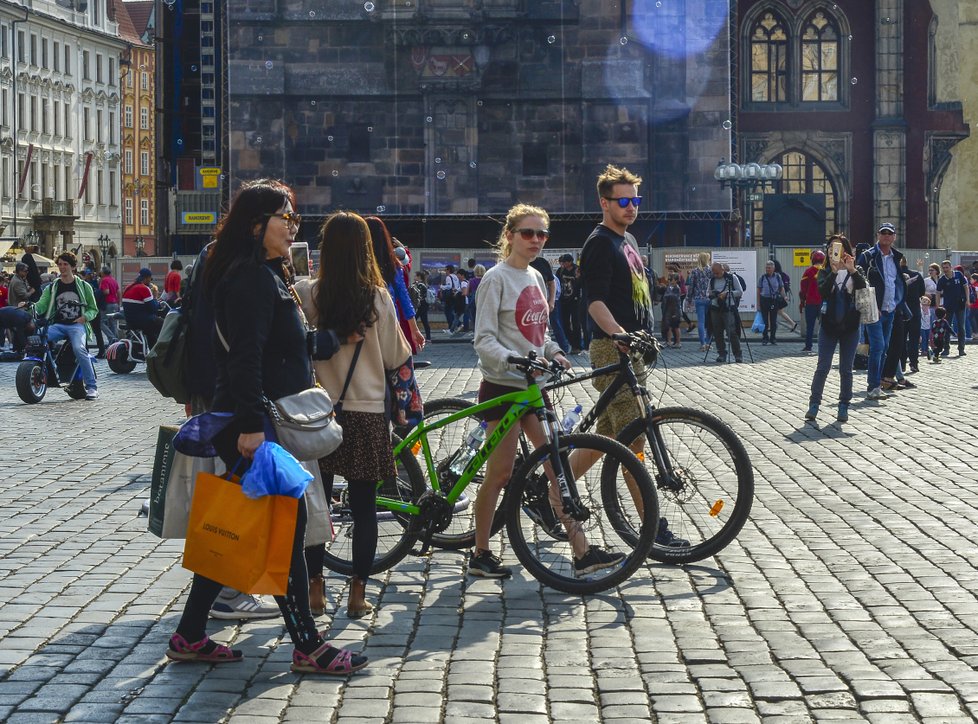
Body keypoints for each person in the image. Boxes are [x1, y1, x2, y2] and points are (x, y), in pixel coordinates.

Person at [166, 179, 366, 675]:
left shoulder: (263, 274)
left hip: (254, 421)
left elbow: (280, 348)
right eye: (286, 218)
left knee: (240, 527)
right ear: (257, 225)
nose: (293, 227)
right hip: (253, 426)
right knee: (285, 528)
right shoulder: (251, 278)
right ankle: (308, 645)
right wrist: (253, 429)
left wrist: (322, 341)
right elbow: (245, 360)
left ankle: (190, 634)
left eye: (294, 218)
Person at [473, 202, 624, 578]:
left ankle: (582, 553)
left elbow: (540, 333)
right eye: (528, 233)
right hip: (504, 389)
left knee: (558, 468)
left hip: (534, 389)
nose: (536, 240)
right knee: (501, 475)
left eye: (542, 234)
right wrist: (515, 360)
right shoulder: (496, 278)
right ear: (509, 236)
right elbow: (483, 340)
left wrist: (554, 351)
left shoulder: (537, 277)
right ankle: (480, 551)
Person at [295, 211, 410, 618]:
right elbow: (398, 355)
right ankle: (358, 593)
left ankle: (314, 588)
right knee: (363, 507)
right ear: (366, 251)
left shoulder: (306, 293)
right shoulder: (378, 298)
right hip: (364, 413)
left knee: (316, 504)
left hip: (315, 414)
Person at [580, 164, 687, 548]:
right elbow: (594, 302)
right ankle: (652, 527)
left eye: (635, 200)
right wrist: (619, 335)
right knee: (634, 439)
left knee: (607, 436)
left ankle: (547, 489)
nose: (631, 207)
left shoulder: (628, 241)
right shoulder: (599, 242)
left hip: (633, 348)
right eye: (623, 201)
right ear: (604, 203)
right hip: (613, 348)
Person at [805, 235, 865, 423]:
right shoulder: (824, 271)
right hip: (829, 324)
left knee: (846, 369)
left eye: (837, 248)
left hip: (850, 325)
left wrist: (852, 270)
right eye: (830, 248)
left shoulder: (856, 268)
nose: (834, 251)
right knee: (823, 367)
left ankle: (843, 406)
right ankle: (814, 404)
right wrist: (832, 271)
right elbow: (822, 291)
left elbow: (864, 288)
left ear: (846, 249)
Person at [34, 252, 99, 399]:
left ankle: (92, 387)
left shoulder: (84, 286)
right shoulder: (51, 287)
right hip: (57, 325)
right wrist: (29, 307)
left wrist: (84, 317)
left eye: (66, 264)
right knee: (38, 338)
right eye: (60, 264)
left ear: (73, 267)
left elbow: (93, 309)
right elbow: (41, 306)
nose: (62, 267)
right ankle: (44, 370)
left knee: (79, 349)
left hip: (77, 325)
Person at [856, 222, 907, 400]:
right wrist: (870, 305)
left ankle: (878, 384)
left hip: (890, 310)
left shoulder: (896, 257)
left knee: (884, 347)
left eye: (889, 233)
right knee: (877, 347)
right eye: (883, 233)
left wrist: (897, 302)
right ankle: (873, 386)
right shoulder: (868, 256)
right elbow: (858, 281)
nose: (886, 236)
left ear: (893, 237)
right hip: (873, 309)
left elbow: (896, 283)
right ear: (878, 235)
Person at [365, 217, 425, 354]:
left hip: (364, 327)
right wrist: (414, 330)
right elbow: (404, 299)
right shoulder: (393, 266)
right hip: (390, 324)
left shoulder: (358, 265)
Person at [529, 253, 570, 353]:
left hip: (545, 303)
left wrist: (551, 301)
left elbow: (552, 283)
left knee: (552, 326)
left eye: (541, 236)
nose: (535, 240)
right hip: (528, 304)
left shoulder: (542, 263)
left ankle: (563, 348)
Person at [708, 262, 743, 363]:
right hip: (715, 308)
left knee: (731, 332)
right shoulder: (712, 280)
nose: (715, 275)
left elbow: (740, 292)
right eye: (714, 273)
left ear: (722, 270)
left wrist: (727, 293)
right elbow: (708, 292)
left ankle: (738, 354)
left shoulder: (732, 278)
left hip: (728, 308)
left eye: (717, 273)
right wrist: (713, 294)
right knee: (717, 332)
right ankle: (722, 353)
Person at [122, 268, 164, 349]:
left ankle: (152, 350)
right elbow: (153, 308)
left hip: (130, 321)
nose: (150, 281)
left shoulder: (128, 287)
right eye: (150, 279)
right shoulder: (144, 288)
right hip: (142, 321)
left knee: (151, 330)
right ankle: (158, 351)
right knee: (163, 324)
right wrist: (155, 298)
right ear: (146, 278)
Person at [936, 260, 969, 357]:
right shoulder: (942, 279)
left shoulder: (958, 275)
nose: (945, 269)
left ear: (951, 267)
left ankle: (961, 349)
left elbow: (966, 287)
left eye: (947, 267)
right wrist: (938, 306)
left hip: (960, 305)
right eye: (944, 268)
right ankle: (946, 349)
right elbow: (938, 293)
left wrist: (967, 300)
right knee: (947, 327)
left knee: (961, 327)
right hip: (948, 307)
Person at [900, 258, 925, 375]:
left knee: (901, 338)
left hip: (901, 311)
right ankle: (914, 363)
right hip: (914, 310)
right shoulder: (916, 275)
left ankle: (902, 363)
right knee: (914, 338)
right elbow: (922, 292)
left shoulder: (896, 275)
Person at [799, 249, 825, 352]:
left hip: (810, 303)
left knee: (810, 326)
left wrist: (802, 301)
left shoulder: (808, 272)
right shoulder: (827, 271)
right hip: (823, 303)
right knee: (824, 326)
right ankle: (824, 346)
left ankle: (808, 346)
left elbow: (803, 289)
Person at [686, 252, 712, 350]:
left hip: (698, 299)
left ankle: (702, 344)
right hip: (709, 299)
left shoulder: (695, 271)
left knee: (701, 322)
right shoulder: (711, 271)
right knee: (709, 322)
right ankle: (708, 342)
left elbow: (691, 287)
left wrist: (689, 299)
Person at [557, 253, 582, 353]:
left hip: (575, 300)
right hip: (564, 300)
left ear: (570, 262)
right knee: (564, 324)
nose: (562, 264)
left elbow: (581, 283)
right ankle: (572, 343)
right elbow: (557, 282)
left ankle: (577, 346)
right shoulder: (561, 270)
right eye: (561, 262)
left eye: (564, 262)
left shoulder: (577, 270)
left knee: (576, 324)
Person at [758, 260, 786, 345]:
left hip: (774, 300)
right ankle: (765, 338)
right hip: (764, 300)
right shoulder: (762, 277)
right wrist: (758, 303)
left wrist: (784, 297)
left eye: (769, 268)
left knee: (773, 321)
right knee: (765, 321)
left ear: (773, 268)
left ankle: (773, 338)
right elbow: (758, 290)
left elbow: (781, 288)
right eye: (766, 267)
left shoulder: (778, 277)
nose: (767, 269)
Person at [82, 268, 108, 358]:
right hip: (95, 310)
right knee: (96, 332)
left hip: (90, 311)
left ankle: (90, 350)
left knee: (88, 331)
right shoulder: (96, 288)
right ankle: (101, 351)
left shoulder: (86, 285)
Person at [772, 259, 798, 333]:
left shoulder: (776, 275)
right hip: (781, 296)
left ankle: (792, 323)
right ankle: (773, 325)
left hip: (778, 296)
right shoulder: (783, 274)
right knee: (778, 312)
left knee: (779, 312)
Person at [659, 272, 682, 348]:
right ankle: (668, 341)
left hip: (675, 309)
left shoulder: (677, 288)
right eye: (668, 279)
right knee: (668, 326)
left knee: (676, 326)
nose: (669, 281)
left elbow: (673, 297)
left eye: (671, 279)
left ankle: (678, 342)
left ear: (675, 280)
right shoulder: (668, 287)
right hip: (668, 309)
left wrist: (665, 289)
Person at [99, 265, 121, 342]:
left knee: (100, 322)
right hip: (115, 303)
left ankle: (112, 337)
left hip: (107, 304)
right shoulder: (113, 280)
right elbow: (118, 292)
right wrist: (119, 303)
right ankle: (115, 342)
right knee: (113, 323)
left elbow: (106, 291)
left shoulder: (104, 280)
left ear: (103, 272)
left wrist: (99, 292)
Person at [411, 270, 432, 341]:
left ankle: (426, 337)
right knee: (423, 320)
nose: (414, 277)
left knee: (416, 319)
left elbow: (420, 296)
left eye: (415, 276)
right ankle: (428, 337)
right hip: (421, 305)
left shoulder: (421, 285)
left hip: (422, 305)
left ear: (419, 277)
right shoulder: (419, 284)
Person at [440, 264, 461, 333]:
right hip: (455, 296)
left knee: (447, 312)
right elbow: (457, 286)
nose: (445, 271)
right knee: (452, 311)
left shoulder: (448, 277)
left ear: (448, 270)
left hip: (449, 297)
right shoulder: (456, 277)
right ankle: (456, 325)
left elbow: (449, 286)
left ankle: (452, 327)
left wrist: (442, 287)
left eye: (446, 270)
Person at [919, 295, 933, 362]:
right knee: (923, 338)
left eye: (926, 301)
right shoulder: (921, 309)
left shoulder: (929, 310)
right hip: (922, 326)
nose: (925, 303)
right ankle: (923, 350)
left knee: (927, 338)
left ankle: (927, 349)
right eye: (923, 301)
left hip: (927, 326)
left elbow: (930, 319)